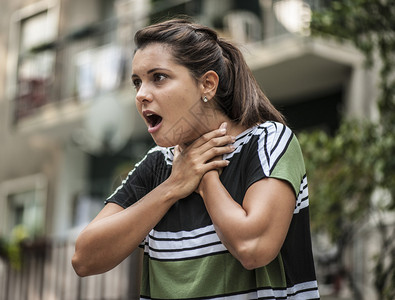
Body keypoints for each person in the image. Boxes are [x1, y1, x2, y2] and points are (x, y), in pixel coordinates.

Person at [72, 18, 320, 300]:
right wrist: (172, 186)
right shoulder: (156, 165)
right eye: (137, 82)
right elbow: (84, 258)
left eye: (159, 77)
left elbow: (254, 248)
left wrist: (204, 176)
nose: (141, 94)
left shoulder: (268, 141)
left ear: (207, 85)